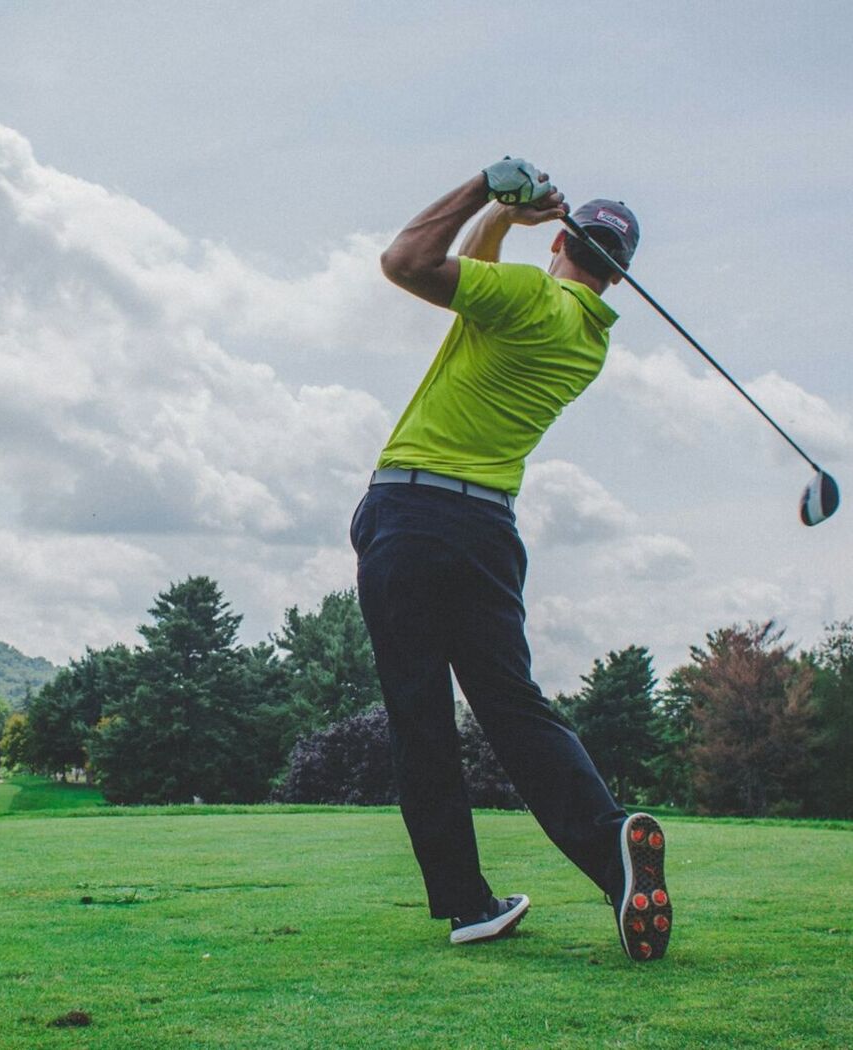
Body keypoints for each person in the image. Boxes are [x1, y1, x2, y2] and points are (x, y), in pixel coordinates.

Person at [350, 156, 671, 962]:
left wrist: (481, 188)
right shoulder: (585, 335)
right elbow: (480, 276)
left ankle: (466, 902)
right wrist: (506, 220)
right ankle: (611, 856)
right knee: (515, 709)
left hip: (413, 515)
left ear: (561, 240)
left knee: (421, 718)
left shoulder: (529, 297)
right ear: (619, 280)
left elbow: (407, 262)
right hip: (488, 532)